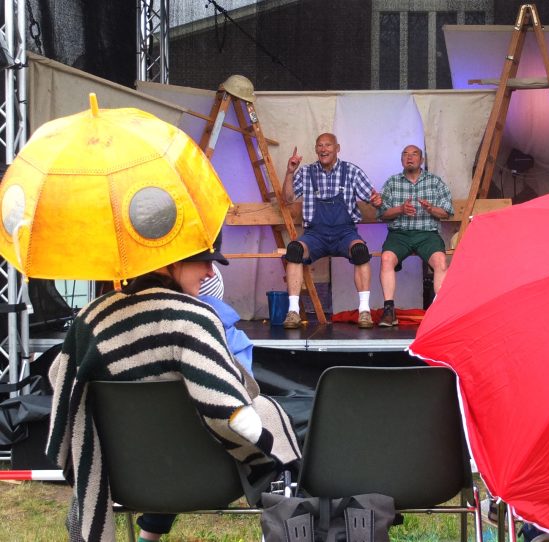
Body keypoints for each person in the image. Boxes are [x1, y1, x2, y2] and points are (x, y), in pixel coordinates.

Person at [47, 236, 301, 542]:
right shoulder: (193, 318)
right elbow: (227, 413)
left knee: (166, 426)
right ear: (172, 260)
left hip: (121, 478)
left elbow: (58, 379)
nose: (210, 272)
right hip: (205, 478)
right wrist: (266, 440)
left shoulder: (90, 320)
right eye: (203, 260)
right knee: (270, 422)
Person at [281, 133, 382, 329]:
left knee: (360, 251)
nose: (323, 149)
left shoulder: (351, 171)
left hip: (345, 234)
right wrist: (290, 172)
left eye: (328, 145)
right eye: (319, 146)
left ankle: (364, 311)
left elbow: (373, 198)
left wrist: (377, 201)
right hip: (315, 235)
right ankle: (293, 311)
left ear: (337, 148)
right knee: (294, 250)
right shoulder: (306, 172)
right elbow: (287, 199)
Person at [377, 145, 453, 327]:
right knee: (386, 258)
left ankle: (440, 311)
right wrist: (401, 209)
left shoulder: (435, 182)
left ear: (422, 160)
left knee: (441, 261)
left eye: (414, 154)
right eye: (405, 154)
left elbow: (447, 212)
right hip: (399, 234)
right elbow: (382, 214)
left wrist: (430, 209)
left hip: (427, 234)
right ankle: (389, 311)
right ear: (401, 159)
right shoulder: (392, 182)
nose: (409, 157)